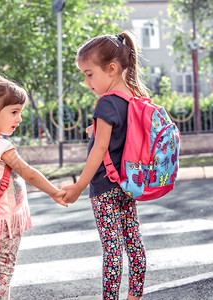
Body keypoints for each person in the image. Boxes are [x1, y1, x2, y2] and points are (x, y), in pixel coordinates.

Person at [0, 75, 67, 300]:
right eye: (14, 112)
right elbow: (28, 173)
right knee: (4, 270)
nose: (19, 118)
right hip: (6, 219)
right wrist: (54, 191)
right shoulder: (0, 146)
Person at [62, 31, 147, 300]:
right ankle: (135, 295)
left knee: (111, 249)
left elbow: (99, 151)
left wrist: (78, 186)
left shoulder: (105, 103)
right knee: (133, 242)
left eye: (89, 74)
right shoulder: (133, 98)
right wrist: (96, 128)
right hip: (127, 184)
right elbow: (124, 134)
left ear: (111, 69)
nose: (86, 82)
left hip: (104, 188)